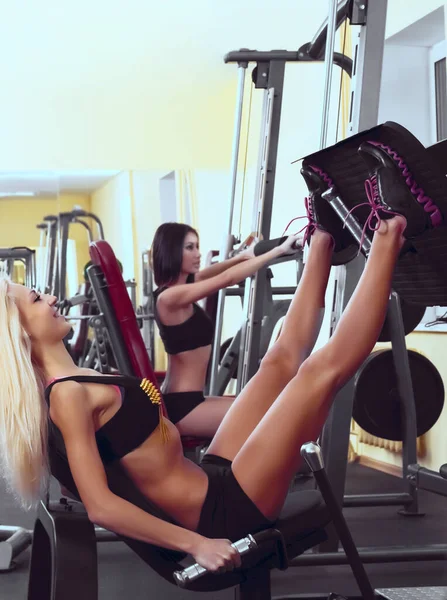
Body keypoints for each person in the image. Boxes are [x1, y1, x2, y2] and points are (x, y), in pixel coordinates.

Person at [0, 183, 430, 575]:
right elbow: (100, 507)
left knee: (278, 360)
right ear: (21, 331)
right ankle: (390, 234)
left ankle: (322, 239)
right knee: (317, 372)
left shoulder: (77, 376)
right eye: (37, 299)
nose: (53, 298)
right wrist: (198, 544)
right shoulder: (66, 397)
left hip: (213, 474)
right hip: (224, 512)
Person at [150, 222, 298, 437]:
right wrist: (277, 251)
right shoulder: (169, 298)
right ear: (172, 251)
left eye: (197, 246)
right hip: (183, 408)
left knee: (268, 408)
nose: (198, 254)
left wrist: (243, 256)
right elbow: (226, 279)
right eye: (189, 247)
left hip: (191, 400)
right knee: (271, 418)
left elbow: (213, 273)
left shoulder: (177, 289)